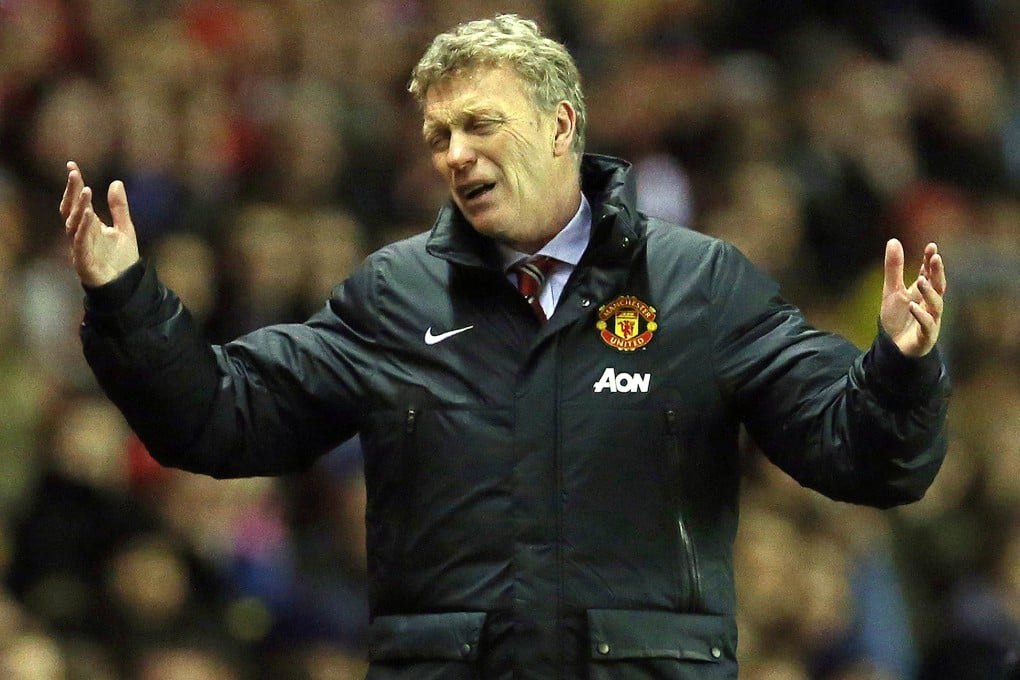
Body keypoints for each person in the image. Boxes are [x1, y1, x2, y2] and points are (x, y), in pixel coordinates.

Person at [60, 14, 950, 680]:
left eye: (481, 124)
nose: (454, 154)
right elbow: (221, 418)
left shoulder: (700, 288)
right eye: (439, 136)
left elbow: (860, 455)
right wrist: (126, 298)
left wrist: (901, 368)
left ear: (561, 126)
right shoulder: (394, 296)